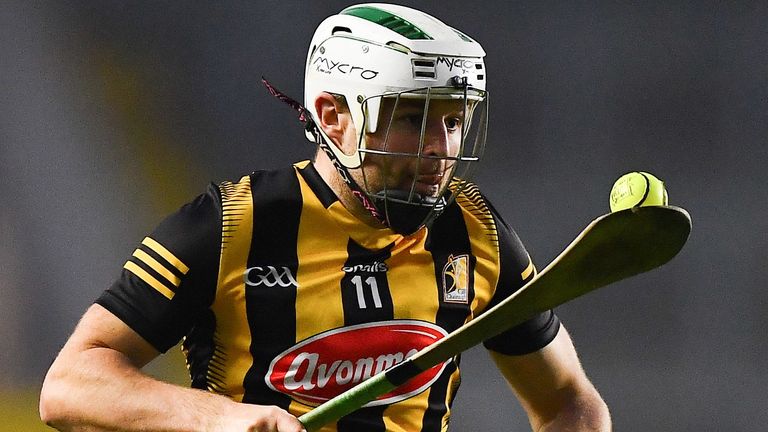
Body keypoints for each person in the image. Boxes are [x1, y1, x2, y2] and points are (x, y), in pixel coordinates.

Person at [40, 4, 611, 431]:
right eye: (415, 118)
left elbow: (567, 401)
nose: (441, 147)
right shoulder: (233, 224)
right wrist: (218, 419)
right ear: (333, 116)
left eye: (454, 121)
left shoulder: (474, 228)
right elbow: (69, 386)